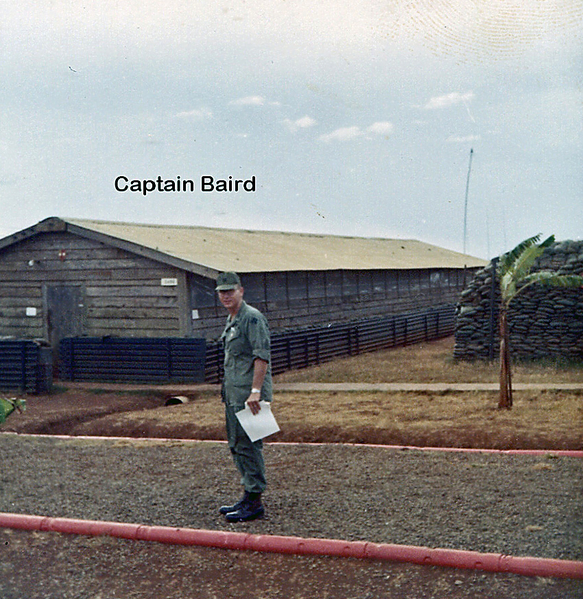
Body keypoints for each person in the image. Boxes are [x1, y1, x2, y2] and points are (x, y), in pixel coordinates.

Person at [215, 271, 273, 522]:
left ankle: (255, 501)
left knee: (249, 445)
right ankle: (249, 495)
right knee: (239, 444)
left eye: (230, 290)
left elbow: (262, 356)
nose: (226, 295)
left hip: (250, 395)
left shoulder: (252, 318)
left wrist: (256, 391)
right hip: (235, 393)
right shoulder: (233, 318)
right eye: (222, 292)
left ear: (241, 290)